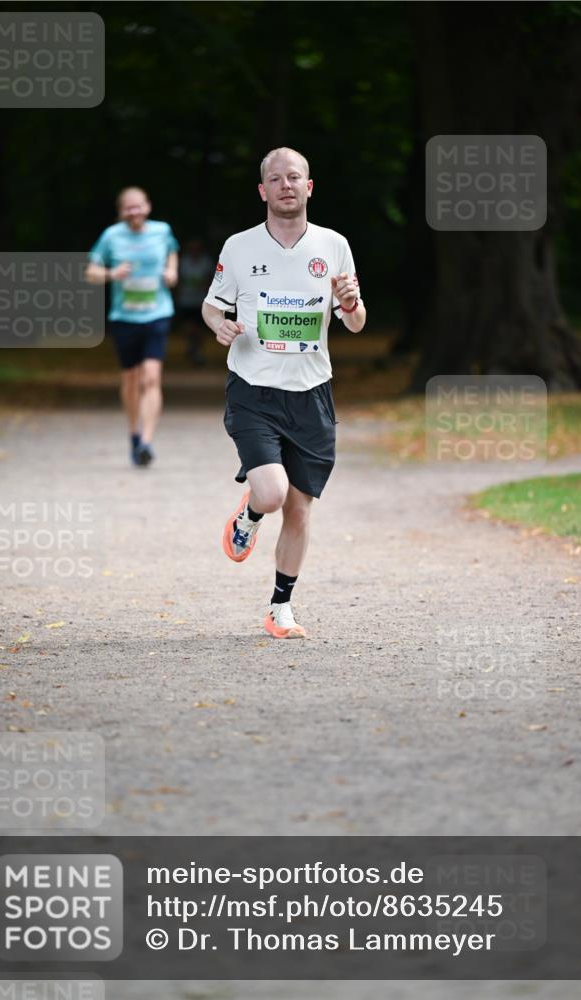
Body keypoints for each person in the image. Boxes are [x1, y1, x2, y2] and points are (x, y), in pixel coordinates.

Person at [202, 147, 366, 639]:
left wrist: (352, 305)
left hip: (312, 393)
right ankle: (250, 514)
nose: (286, 185)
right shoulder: (239, 247)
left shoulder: (333, 245)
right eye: (276, 179)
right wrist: (221, 326)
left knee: (299, 507)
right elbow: (212, 307)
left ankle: (280, 607)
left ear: (309, 187)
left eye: (295, 177)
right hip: (254, 389)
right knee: (272, 494)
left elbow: (355, 323)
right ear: (263, 190)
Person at [86, 187, 179, 466]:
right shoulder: (111, 236)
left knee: (150, 376)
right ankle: (134, 434)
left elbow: (173, 252)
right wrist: (111, 273)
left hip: (157, 313)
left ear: (148, 207)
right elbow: (90, 271)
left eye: (138, 206)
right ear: (121, 211)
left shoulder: (162, 231)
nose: (134, 212)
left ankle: (147, 441)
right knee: (131, 380)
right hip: (124, 317)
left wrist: (172, 270)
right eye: (128, 208)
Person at [177, 239, 214, 366]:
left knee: (199, 329)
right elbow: (179, 280)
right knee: (189, 328)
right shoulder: (183, 262)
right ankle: (191, 346)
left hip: (201, 301)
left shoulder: (206, 262)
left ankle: (197, 350)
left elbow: (211, 280)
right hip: (186, 300)